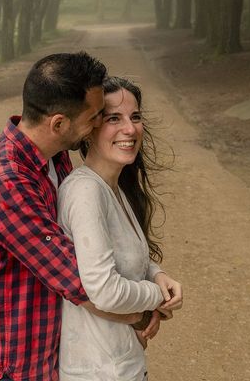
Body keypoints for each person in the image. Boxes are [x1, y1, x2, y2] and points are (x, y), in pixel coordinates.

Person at [0, 53, 181, 381]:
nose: (97, 124)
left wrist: (153, 274)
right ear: (59, 123)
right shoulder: (5, 183)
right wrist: (146, 308)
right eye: (96, 116)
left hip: (54, 352)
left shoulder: (55, 157)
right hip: (17, 364)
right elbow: (80, 281)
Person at [57, 76, 182, 381]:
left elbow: (123, 253)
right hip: (99, 371)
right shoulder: (86, 192)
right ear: (89, 129)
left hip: (121, 363)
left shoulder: (114, 187)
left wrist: (157, 274)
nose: (130, 129)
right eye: (114, 118)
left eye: (135, 117)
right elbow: (104, 290)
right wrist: (156, 299)